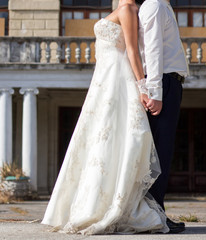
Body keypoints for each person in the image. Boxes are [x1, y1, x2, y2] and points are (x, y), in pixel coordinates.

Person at [41, 0, 170, 235]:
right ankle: (87, 202)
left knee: (114, 135)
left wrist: (143, 87)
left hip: (118, 78)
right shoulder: (120, 9)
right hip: (104, 77)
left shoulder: (129, 9)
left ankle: (110, 204)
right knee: (96, 137)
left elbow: (132, 49)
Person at [137, 0, 189, 233]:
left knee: (161, 152)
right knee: (160, 152)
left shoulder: (161, 5)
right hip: (164, 84)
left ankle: (156, 213)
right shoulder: (155, 6)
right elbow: (153, 50)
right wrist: (155, 92)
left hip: (169, 83)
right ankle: (154, 217)